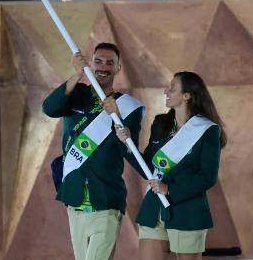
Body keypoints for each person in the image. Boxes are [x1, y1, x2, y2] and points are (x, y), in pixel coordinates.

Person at [42, 42, 144, 260]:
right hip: (75, 198)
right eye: (98, 61)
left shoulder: (128, 107)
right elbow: (49, 108)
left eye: (110, 63)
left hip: (106, 199)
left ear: (118, 68)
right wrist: (75, 75)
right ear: (90, 62)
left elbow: (129, 151)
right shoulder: (77, 93)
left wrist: (119, 121)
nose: (103, 67)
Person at [116, 71, 227, 260]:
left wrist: (170, 190)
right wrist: (128, 144)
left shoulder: (208, 130)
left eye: (172, 88)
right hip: (154, 207)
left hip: (188, 210)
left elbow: (208, 177)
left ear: (187, 95)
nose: (166, 91)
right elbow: (149, 169)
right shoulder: (161, 124)